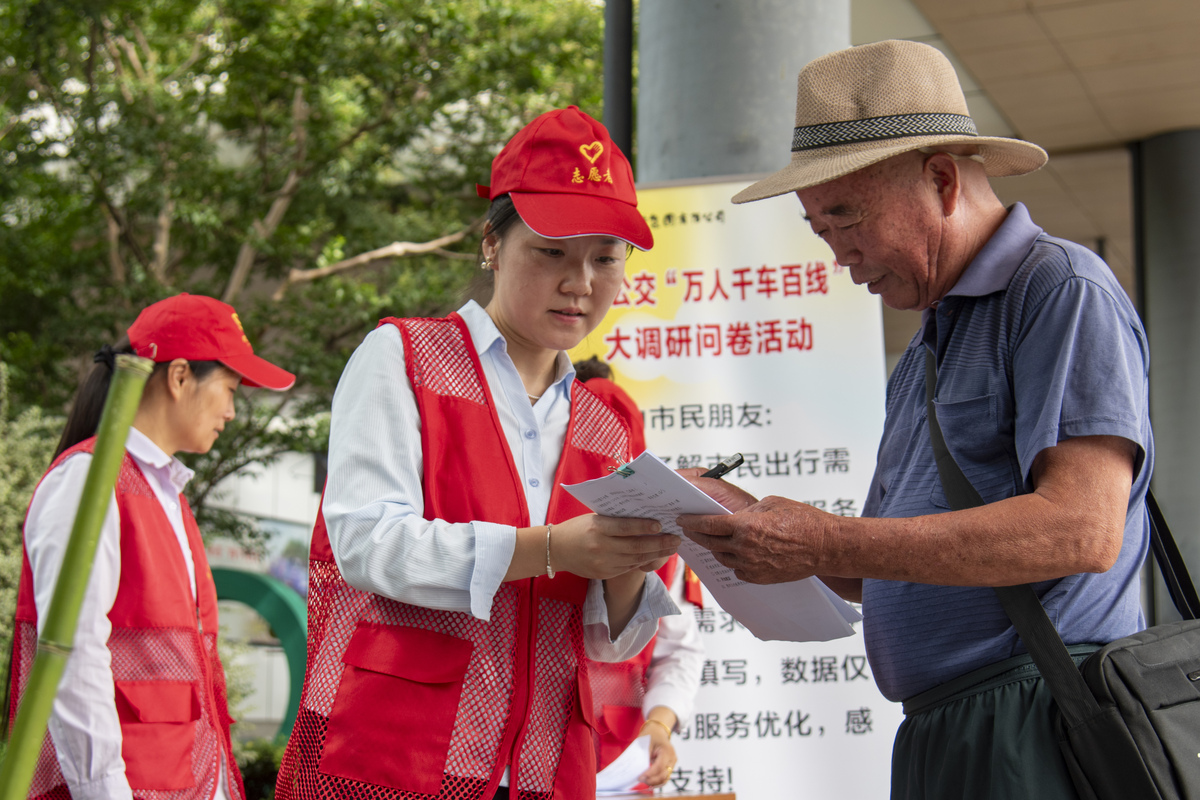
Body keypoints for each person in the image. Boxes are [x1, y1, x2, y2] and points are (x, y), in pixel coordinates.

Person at [677, 40, 1153, 799]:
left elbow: (1082, 530)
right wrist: (741, 516)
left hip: (1037, 717)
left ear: (940, 180)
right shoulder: (927, 344)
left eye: (846, 215)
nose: (839, 254)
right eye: (818, 228)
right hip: (944, 727)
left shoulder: (1059, 289)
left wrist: (823, 537)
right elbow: (872, 568)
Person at [276, 106, 682, 800]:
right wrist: (553, 546)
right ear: (491, 245)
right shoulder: (404, 357)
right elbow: (367, 541)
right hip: (394, 758)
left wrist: (628, 562)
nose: (580, 281)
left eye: (605, 259)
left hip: (541, 766)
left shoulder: (605, 426)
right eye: (551, 251)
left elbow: (609, 645)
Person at [8, 293, 296, 800]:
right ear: (180, 376)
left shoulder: (166, 495)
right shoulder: (87, 481)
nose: (231, 411)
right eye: (229, 389)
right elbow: (74, 656)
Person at [572, 356, 704, 789]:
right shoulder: (527, 521)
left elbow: (677, 649)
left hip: (622, 762)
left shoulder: (661, 531)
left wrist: (659, 727)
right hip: (521, 756)